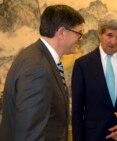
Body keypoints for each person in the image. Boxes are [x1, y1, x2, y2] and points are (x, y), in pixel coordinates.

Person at [0, 4, 85, 141]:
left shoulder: (33, 55)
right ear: (62, 32)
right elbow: (30, 135)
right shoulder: (38, 69)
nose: (80, 39)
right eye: (79, 34)